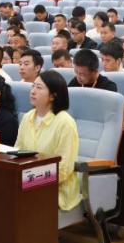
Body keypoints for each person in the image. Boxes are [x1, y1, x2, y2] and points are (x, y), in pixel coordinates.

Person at [16, 70, 80, 213]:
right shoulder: (27, 117)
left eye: (39, 88)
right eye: (33, 86)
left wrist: (28, 181)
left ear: (53, 96)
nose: (33, 91)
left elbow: (63, 169)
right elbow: (17, 152)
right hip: (26, 180)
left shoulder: (65, 123)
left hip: (56, 188)